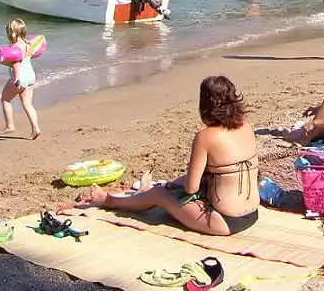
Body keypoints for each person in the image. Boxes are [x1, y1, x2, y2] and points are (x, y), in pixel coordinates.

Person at [76, 76, 259, 235]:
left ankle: (110, 201)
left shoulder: (205, 136)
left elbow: (191, 188)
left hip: (224, 221)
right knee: (174, 186)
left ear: (205, 106)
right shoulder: (246, 126)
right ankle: (143, 194)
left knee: (159, 194)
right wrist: (173, 183)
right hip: (251, 215)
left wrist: (170, 188)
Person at [0, 18, 41, 140]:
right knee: (28, 105)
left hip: (20, 77)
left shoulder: (15, 48)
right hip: (31, 76)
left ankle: (10, 126)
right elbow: (29, 57)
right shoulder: (28, 44)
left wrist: (16, 78)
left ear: (11, 33)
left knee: (5, 99)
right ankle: (35, 129)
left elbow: (16, 64)